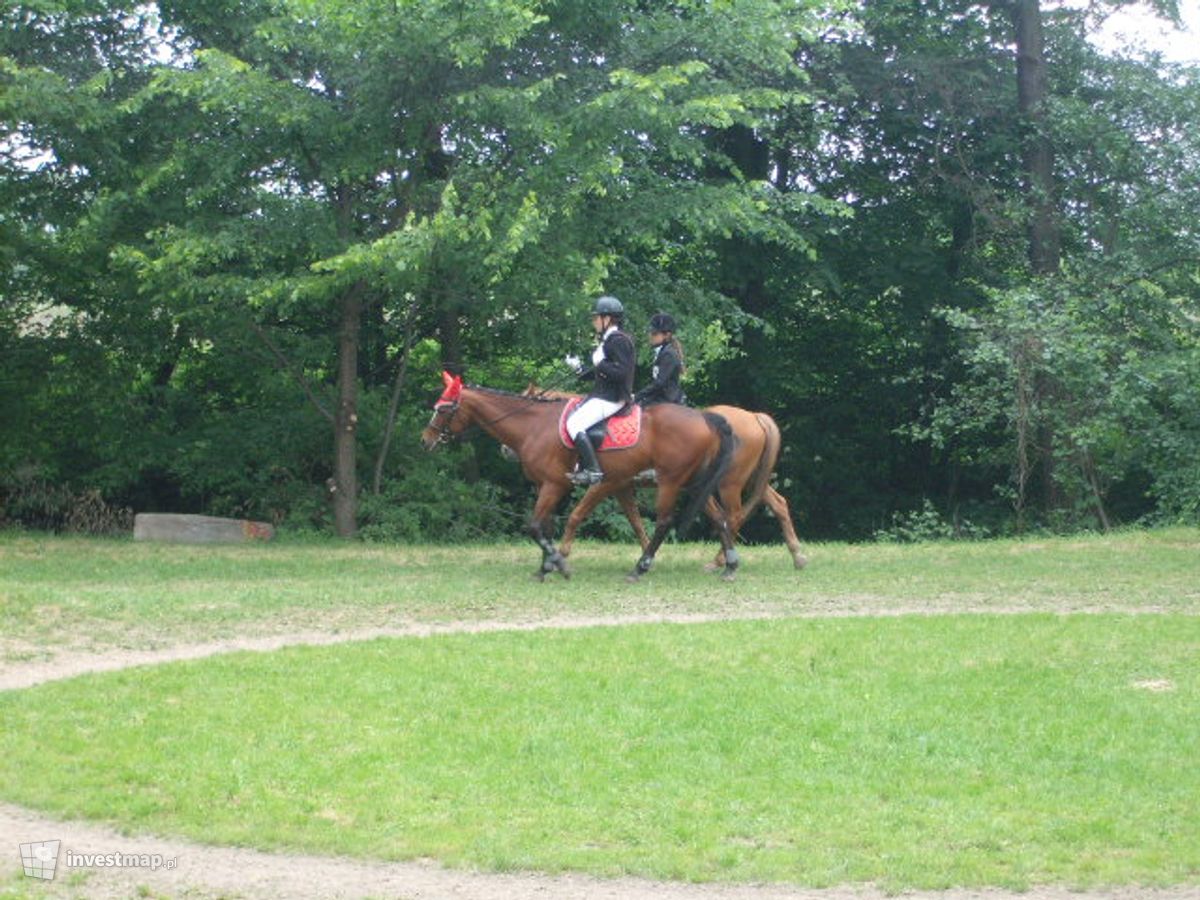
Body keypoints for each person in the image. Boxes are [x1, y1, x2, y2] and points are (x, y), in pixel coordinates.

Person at [563, 295, 636, 485]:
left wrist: (600, 363)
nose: (594, 321)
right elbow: (599, 372)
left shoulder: (618, 340)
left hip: (612, 398)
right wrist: (579, 369)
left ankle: (593, 471)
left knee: (574, 424)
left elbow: (621, 373)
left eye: (597, 318)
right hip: (603, 395)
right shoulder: (608, 339)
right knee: (574, 416)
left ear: (608, 318)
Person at [633, 312, 685, 407]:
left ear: (667, 335)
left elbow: (659, 383)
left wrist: (637, 396)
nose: (650, 336)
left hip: (667, 400)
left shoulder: (668, 354)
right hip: (659, 398)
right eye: (650, 332)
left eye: (654, 333)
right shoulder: (662, 352)